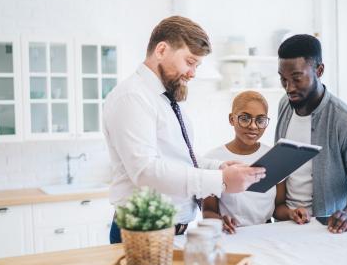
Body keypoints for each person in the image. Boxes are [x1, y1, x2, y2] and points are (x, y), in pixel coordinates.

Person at [102, 16, 266, 243]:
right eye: (190, 62)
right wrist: (219, 179)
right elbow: (146, 171)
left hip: (172, 231)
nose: (192, 73)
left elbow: (175, 157)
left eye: (197, 65)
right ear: (161, 50)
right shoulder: (132, 97)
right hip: (143, 233)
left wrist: (217, 166)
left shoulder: (163, 99)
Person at [273, 34, 347, 233]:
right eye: (283, 79)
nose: (289, 88)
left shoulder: (346, 121)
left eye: (296, 78)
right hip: (286, 222)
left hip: (325, 228)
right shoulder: (285, 104)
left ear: (319, 70)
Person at [202, 91, 276, 233]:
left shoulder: (273, 156)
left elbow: (279, 207)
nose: (253, 126)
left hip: (267, 233)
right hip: (231, 234)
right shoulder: (212, 160)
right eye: (245, 118)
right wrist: (219, 222)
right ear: (232, 119)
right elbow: (209, 211)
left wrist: (292, 213)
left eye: (260, 120)